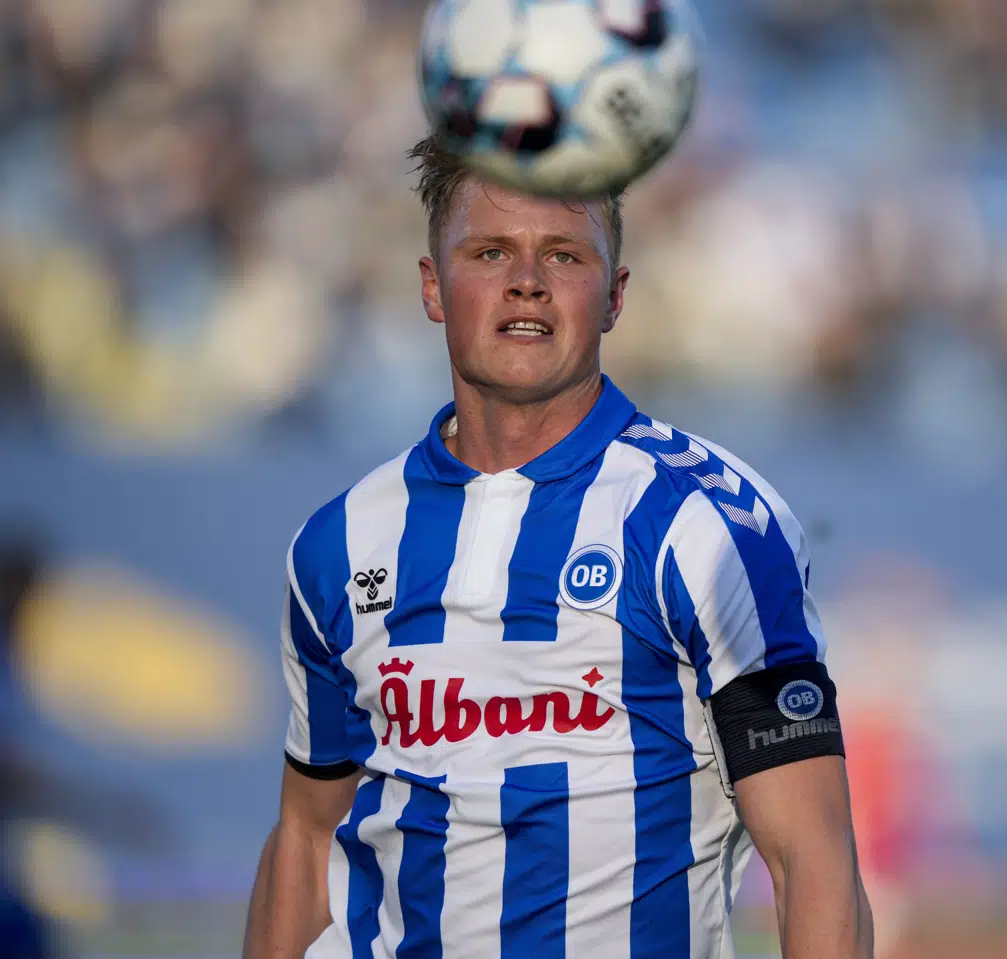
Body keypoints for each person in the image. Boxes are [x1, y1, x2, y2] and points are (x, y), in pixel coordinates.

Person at [242, 135, 873, 959]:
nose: (526, 280)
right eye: (490, 251)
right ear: (432, 286)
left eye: (564, 255)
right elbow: (305, 837)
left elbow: (813, 856)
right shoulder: (340, 542)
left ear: (614, 295)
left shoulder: (707, 525)